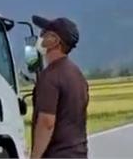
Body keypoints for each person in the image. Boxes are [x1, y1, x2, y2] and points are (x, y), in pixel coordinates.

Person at [29, 15, 89, 158]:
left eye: (44, 33)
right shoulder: (77, 74)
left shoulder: (50, 76)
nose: (40, 37)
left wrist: (35, 156)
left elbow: (47, 122)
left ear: (54, 41)